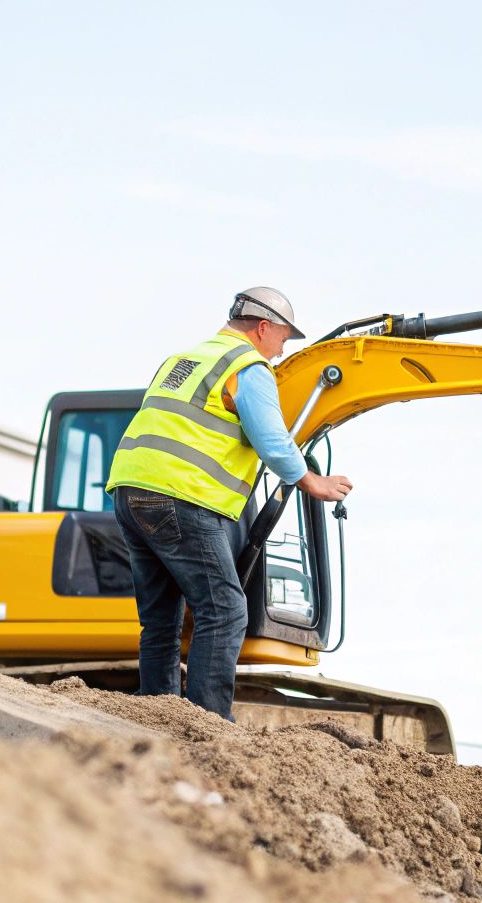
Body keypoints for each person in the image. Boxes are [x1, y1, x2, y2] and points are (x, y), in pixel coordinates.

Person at [105, 288, 352, 720]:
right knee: (224, 611)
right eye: (283, 338)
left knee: (162, 618)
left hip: (131, 492)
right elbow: (273, 440)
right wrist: (312, 481)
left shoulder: (184, 361)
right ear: (263, 328)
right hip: (182, 495)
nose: (281, 351)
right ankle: (208, 721)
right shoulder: (249, 367)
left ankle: (158, 714)